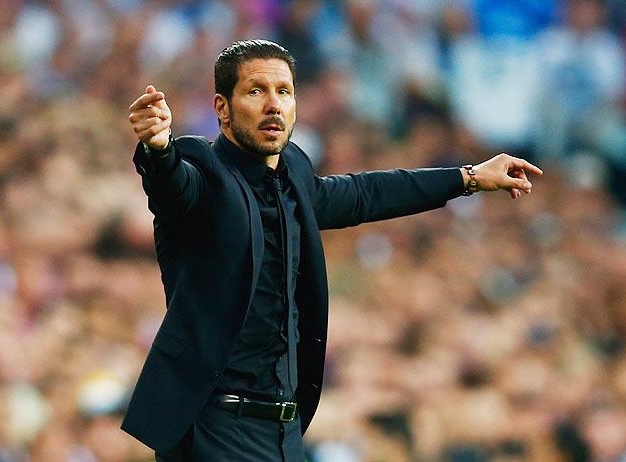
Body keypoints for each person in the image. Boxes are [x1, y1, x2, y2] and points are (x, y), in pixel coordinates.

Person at [121, 39, 542, 462]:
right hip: (215, 428)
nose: (273, 105)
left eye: (283, 91)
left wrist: (468, 177)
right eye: (256, 91)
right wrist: (158, 148)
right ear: (222, 108)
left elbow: (364, 194)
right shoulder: (204, 172)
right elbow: (173, 186)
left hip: (285, 430)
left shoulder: (295, 176)